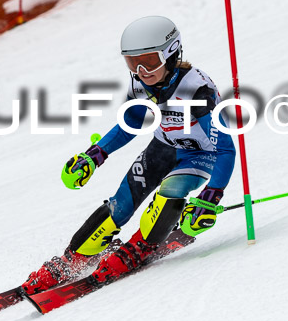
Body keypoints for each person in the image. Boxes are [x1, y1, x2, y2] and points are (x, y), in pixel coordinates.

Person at [22, 15, 236, 294]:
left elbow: (225, 148)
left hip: (199, 155)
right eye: (132, 62)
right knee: (120, 204)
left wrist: (211, 197)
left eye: (149, 61)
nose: (141, 70)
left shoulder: (195, 89)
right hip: (163, 147)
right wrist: (95, 155)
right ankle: (73, 259)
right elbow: (132, 123)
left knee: (171, 190)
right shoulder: (140, 85)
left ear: (171, 54)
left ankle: (139, 248)